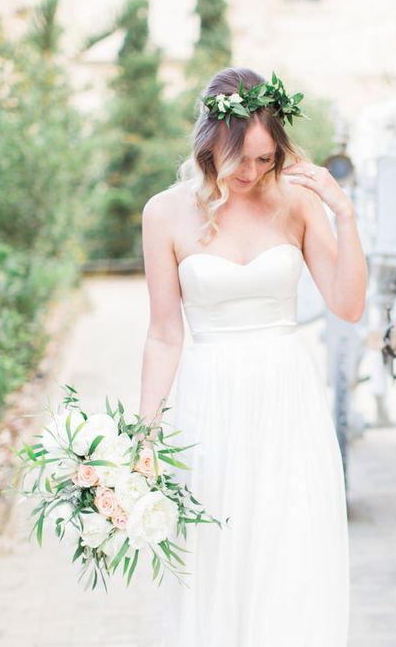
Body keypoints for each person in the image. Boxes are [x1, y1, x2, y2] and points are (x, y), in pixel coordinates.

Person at [138, 66, 366, 646]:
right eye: (241, 157)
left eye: (266, 159)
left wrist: (344, 215)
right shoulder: (164, 213)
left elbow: (347, 305)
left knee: (291, 556)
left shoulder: (297, 205)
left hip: (287, 398)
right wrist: (144, 435)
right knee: (215, 558)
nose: (253, 172)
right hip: (208, 402)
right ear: (209, 140)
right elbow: (165, 334)